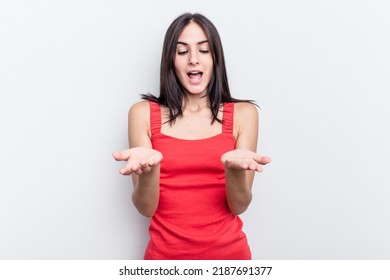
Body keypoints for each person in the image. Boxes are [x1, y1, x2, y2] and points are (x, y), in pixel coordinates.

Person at [113, 13, 271, 260]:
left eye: (204, 50)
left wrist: (234, 170)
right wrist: (150, 168)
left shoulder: (243, 114)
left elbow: (239, 206)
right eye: (182, 51)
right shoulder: (142, 113)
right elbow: (146, 208)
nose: (194, 60)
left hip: (230, 260)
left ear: (215, 58)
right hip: (164, 261)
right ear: (171, 60)